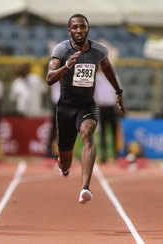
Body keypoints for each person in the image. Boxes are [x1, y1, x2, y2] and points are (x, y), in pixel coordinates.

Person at [46, 14, 125, 204]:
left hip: (87, 104)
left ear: (88, 29)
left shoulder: (99, 50)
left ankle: (85, 188)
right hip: (65, 107)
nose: (79, 30)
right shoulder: (61, 49)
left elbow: (107, 69)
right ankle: (64, 167)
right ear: (69, 30)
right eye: (75, 27)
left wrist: (118, 91)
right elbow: (49, 78)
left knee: (87, 133)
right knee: (65, 158)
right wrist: (66, 66)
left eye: (83, 27)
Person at [95, 70, 120, 163]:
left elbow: (118, 91)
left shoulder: (114, 76)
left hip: (112, 107)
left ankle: (115, 153)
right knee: (102, 132)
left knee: (114, 131)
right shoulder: (98, 77)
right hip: (101, 107)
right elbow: (95, 91)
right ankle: (103, 154)